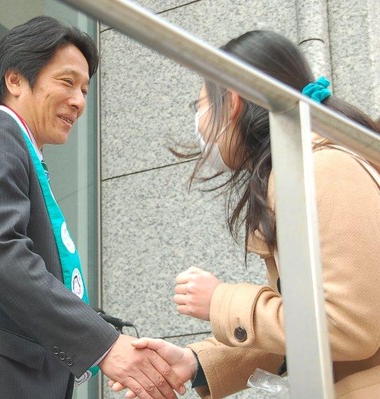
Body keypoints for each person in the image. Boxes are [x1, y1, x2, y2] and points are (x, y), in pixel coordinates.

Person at [0, 16, 184, 399]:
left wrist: (109, 339)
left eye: (84, 88)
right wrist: (106, 346)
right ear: (14, 80)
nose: (80, 100)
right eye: (67, 82)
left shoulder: (17, 150)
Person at [111, 30, 380, 398]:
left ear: (232, 101)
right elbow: (305, 330)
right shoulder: (306, 170)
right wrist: (195, 363)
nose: (201, 121)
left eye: (201, 105)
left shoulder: (326, 169)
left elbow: (346, 328)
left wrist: (221, 300)